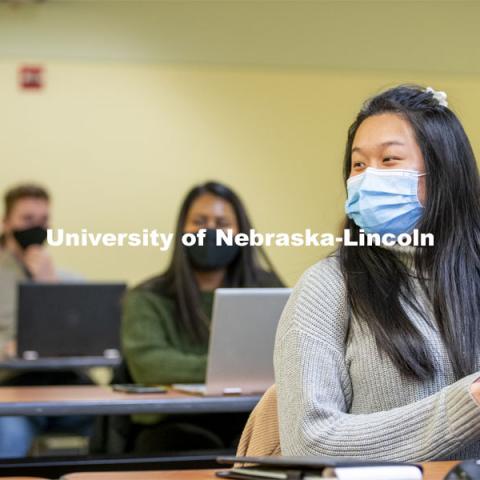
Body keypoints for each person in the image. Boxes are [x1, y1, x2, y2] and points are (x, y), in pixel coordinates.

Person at [274, 85, 480, 461]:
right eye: (358, 164)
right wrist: (469, 403)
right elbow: (307, 443)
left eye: (388, 160)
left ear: (445, 172)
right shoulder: (327, 287)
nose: (368, 178)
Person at [121, 180, 284, 453]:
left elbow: (289, 353)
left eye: (222, 223)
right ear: (182, 230)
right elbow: (149, 366)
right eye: (199, 221)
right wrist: (231, 370)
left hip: (250, 418)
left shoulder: (270, 290)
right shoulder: (147, 297)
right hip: (172, 425)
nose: (210, 231)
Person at [0, 183, 90, 458]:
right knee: (11, 433)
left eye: (43, 220)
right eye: (27, 220)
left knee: (115, 424)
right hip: (12, 387)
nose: (36, 228)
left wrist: (49, 287)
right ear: (5, 224)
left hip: (67, 386)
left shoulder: (68, 280)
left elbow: (87, 340)